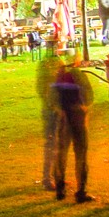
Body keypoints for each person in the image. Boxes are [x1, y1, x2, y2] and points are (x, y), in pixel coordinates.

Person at [52, 54, 95, 201]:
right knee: (81, 155)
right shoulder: (79, 76)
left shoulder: (58, 78)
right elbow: (89, 96)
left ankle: (60, 189)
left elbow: (52, 99)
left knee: (61, 154)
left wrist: (59, 110)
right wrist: (83, 106)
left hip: (64, 119)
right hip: (78, 118)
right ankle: (81, 191)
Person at [35, 43, 65, 195]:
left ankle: (55, 175)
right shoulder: (50, 64)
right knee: (52, 143)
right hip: (51, 109)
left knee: (57, 143)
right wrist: (52, 103)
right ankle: (48, 177)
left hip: (55, 108)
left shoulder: (52, 63)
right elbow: (42, 88)